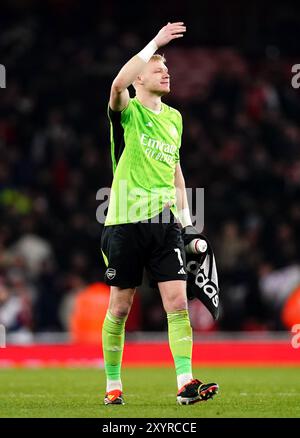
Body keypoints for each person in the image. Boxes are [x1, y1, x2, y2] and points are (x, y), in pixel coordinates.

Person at [101, 22, 219, 405]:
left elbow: (176, 174)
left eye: (166, 67)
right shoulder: (128, 110)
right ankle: (113, 385)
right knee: (120, 307)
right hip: (123, 220)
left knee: (177, 303)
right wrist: (153, 41)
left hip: (163, 223)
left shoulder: (175, 119)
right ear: (140, 78)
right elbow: (118, 84)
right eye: (157, 67)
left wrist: (187, 227)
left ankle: (185, 383)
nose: (165, 71)